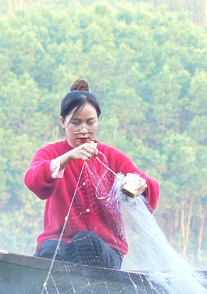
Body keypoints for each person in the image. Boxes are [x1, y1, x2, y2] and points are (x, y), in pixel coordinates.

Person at [23, 79, 156, 271]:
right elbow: (33, 180)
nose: (84, 130)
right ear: (63, 122)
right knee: (50, 248)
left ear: (98, 121)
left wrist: (140, 184)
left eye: (90, 122)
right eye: (75, 123)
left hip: (105, 251)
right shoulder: (50, 153)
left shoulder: (112, 157)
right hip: (59, 247)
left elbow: (151, 188)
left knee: (86, 241)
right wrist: (67, 157)